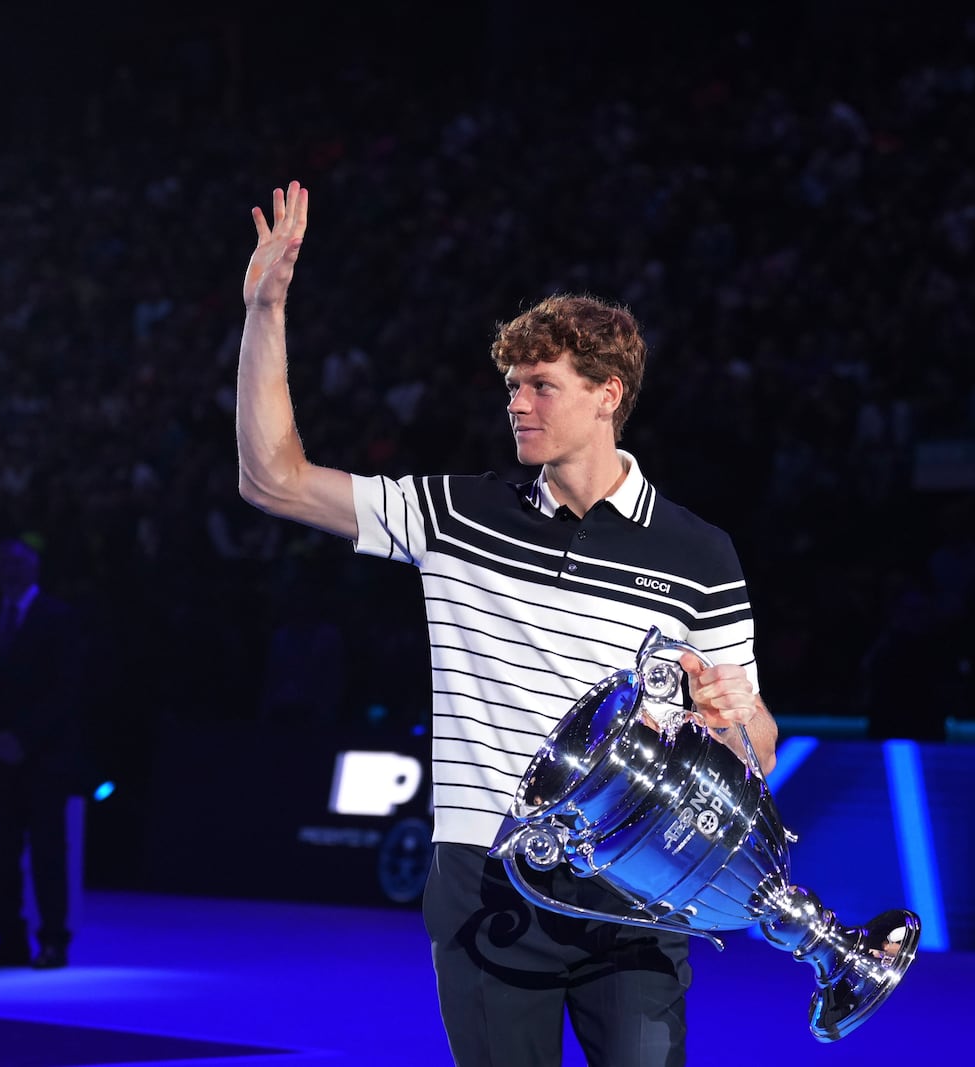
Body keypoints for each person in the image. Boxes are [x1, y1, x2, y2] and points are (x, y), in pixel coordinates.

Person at [235, 181, 777, 1066]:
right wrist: (265, 310)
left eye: (540, 386)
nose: (516, 404)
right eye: (512, 386)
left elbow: (760, 743)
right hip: (490, 894)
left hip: (633, 901)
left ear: (608, 393)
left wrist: (732, 717)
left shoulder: (700, 552)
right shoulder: (457, 514)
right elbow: (274, 478)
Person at [0, 537, 85, 970]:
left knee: (48, 850)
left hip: (44, 755)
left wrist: (23, 736)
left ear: (35, 568)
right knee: (1, 852)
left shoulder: (59, 619)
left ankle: (53, 940)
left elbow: (65, 690)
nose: (8, 571)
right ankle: (8, 940)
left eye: (17, 563)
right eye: (2, 563)